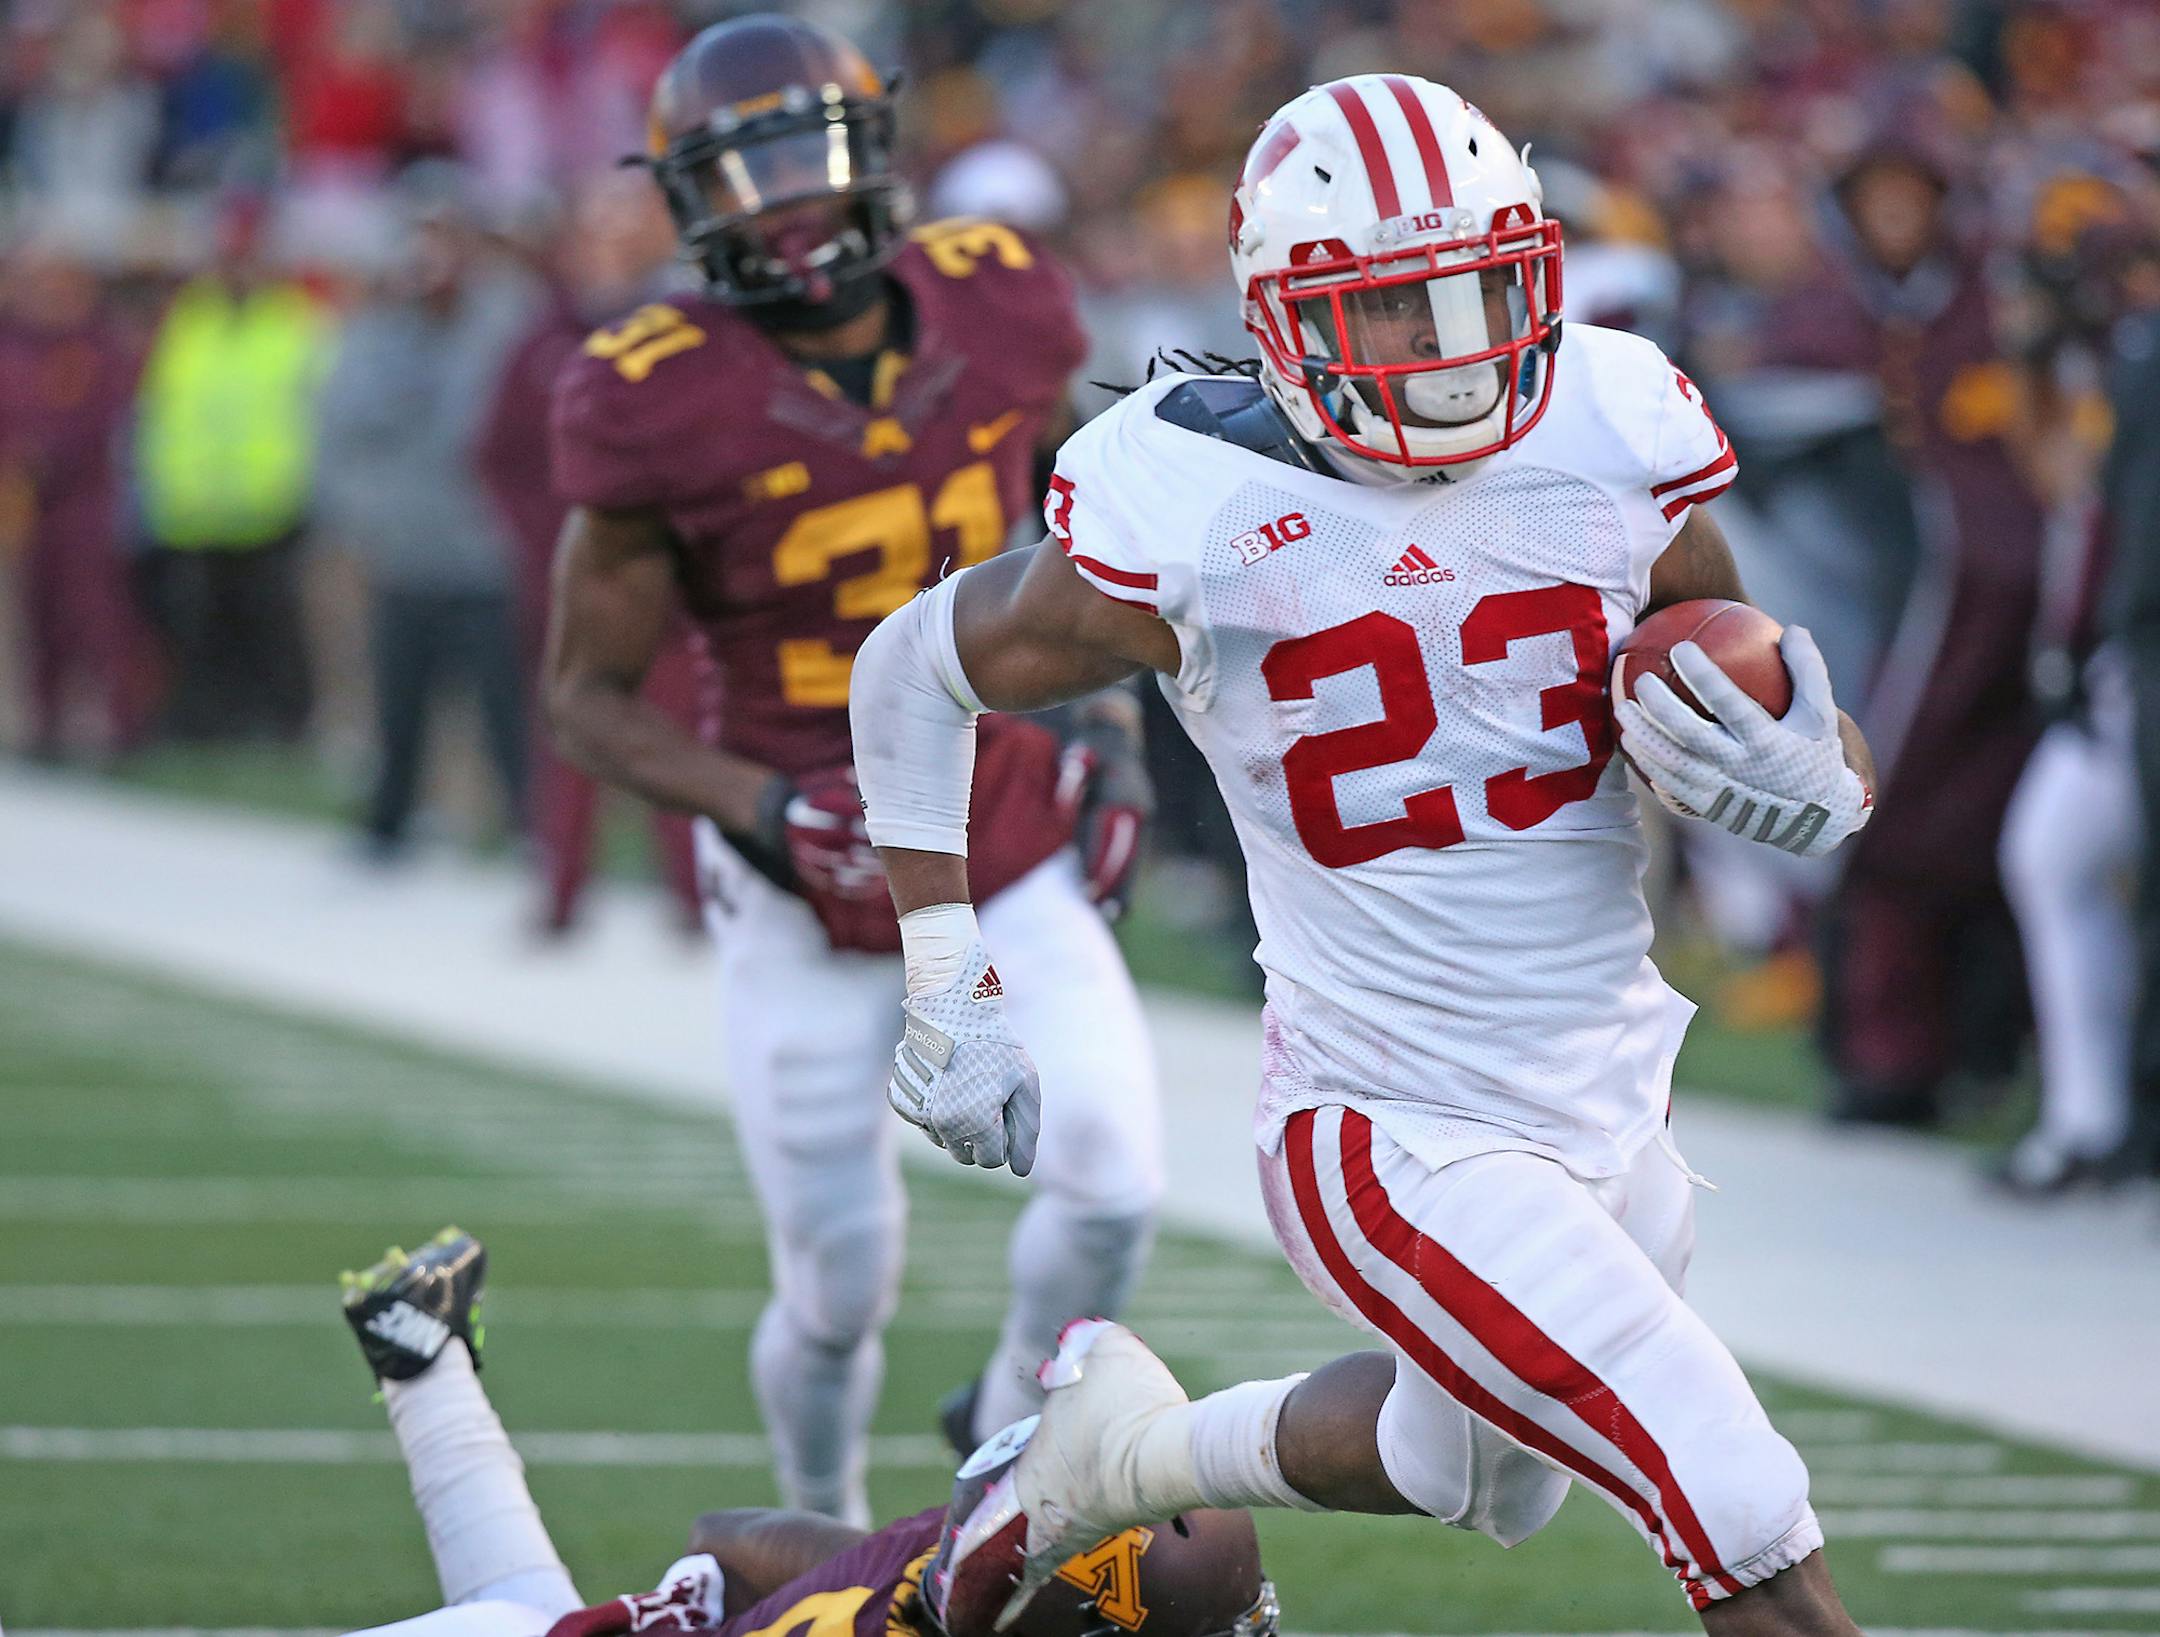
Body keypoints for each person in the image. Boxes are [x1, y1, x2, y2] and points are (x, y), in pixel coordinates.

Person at [848, 75, 1875, 1631]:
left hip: (1609, 1087)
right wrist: (949, 977)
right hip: (1383, 1119)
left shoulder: (1613, 423)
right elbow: (909, 669)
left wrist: (1824, 777)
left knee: (1467, 1465)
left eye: (1481, 288)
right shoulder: (1191, 503)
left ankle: (1115, 1453)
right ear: (1284, 321)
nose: (1452, 344)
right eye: (1393, 310)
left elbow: (1755, 679)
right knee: (1737, 1495)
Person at [544, 16, 1163, 1527]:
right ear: (688, 201)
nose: (783, 202)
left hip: (992, 814)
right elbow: (582, 696)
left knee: (1116, 1179)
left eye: (806, 155)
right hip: (804, 864)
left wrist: (1113, 736)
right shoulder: (649, 390)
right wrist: (759, 808)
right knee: (838, 1283)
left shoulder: (999, 301)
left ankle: (1014, 1437)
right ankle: (816, 1522)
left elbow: (1073, 538)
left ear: (875, 150)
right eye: (739, 174)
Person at [338, 1229, 1277, 1637]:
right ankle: (423, 1357)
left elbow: (722, 1538)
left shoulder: (970, 1566)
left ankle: (422, 1354)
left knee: (542, 1616)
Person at [477, 173, 702, 935]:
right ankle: (563, 896)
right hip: (573, 587)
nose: (606, 249)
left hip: (667, 584)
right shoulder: (541, 341)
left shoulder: (682, 336)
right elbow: (496, 457)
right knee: (573, 740)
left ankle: (693, 900)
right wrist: (549, 542)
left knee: (676, 740)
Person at [318, 163, 539, 861]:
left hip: (485, 550)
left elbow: (500, 428)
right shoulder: (378, 327)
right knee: (396, 700)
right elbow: (343, 423)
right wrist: (368, 520)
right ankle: (390, 820)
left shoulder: (509, 319)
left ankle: (531, 830)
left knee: (506, 701)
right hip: (405, 548)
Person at [133, 191, 325, 742]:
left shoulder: (296, 321)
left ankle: (282, 727)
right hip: (193, 509)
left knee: (270, 627)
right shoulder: (189, 320)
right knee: (198, 629)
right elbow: (162, 408)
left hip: (270, 504)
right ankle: (207, 725)